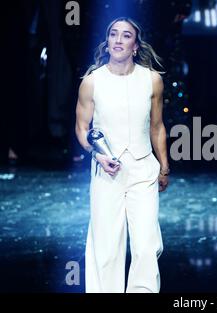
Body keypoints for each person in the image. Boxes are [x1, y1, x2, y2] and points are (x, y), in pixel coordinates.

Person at [75, 17, 169, 293]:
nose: (118, 40)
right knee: (106, 247)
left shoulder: (152, 80)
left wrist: (164, 166)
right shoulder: (92, 82)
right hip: (107, 170)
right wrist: (96, 154)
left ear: (135, 45)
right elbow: (82, 128)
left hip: (143, 169)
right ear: (107, 42)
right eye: (113, 34)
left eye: (126, 35)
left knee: (145, 244)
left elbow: (157, 126)